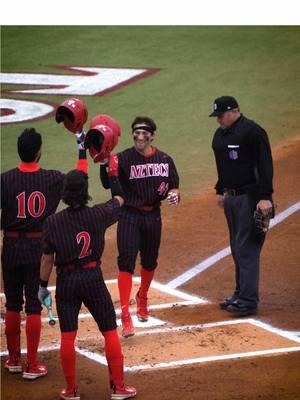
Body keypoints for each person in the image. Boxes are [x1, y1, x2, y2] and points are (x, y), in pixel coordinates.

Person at [38, 153, 137, 400]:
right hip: (92, 278)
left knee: (68, 336)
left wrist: (42, 286)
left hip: (67, 283)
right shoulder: (99, 214)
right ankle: (118, 387)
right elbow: (120, 199)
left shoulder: (52, 222)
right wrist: (111, 172)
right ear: (85, 192)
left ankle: (71, 390)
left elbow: (47, 259)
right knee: (110, 331)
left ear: (64, 193)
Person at [1, 127, 88, 379]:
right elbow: (80, 179)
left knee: (13, 304)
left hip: (11, 247)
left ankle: (14, 359)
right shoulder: (51, 179)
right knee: (34, 305)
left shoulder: (4, 179)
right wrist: (81, 148)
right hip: (38, 249)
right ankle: (33, 364)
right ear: (39, 153)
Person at [100, 116, 180, 337]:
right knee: (126, 263)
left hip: (153, 215)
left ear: (152, 136)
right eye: (136, 131)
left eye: (144, 132)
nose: (139, 135)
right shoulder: (122, 159)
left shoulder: (165, 160)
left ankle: (142, 296)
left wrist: (174, 196)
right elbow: (108, 183)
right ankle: (125, 314)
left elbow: (174, 187)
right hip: (129, 216)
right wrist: (104, 162)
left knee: (150, 261)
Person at [210, 96, 274, 316]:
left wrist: (265, 196)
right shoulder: (220, 136)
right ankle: (240, 293)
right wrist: (221, 189)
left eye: (221, 115)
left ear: (234, 111)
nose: (218, 120)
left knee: (247, 248)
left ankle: (248, 300)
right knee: (237, 248)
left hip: (253, 197)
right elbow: (223, 166)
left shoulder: (253, 132)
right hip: (232, 199)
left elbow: (265, 164)